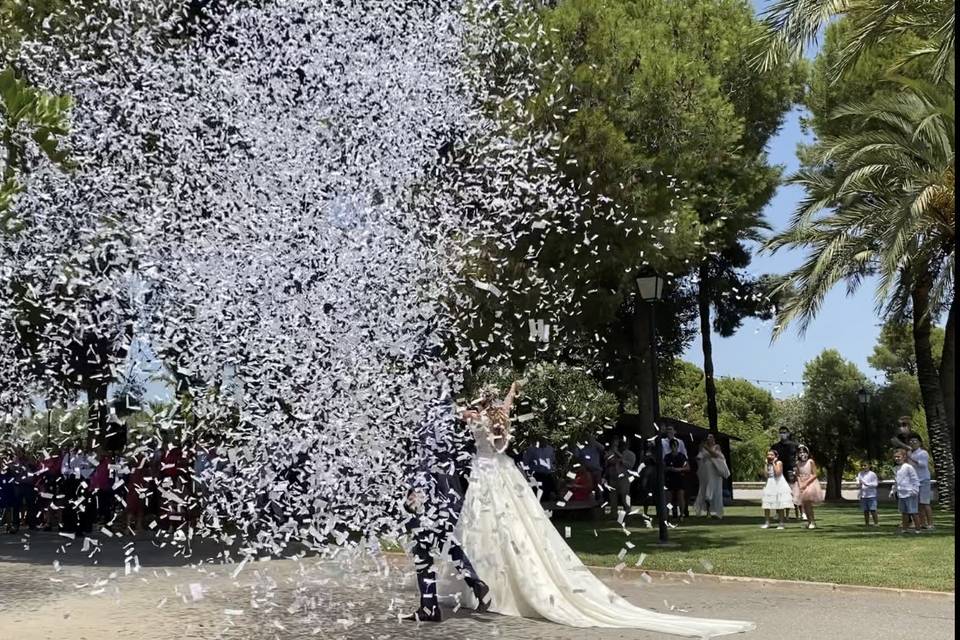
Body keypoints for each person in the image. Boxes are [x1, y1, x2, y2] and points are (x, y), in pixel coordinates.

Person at [439, 381, 755, 636]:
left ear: (482, 404)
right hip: (501, 473)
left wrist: (477, 400)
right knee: (508, 527)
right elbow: (502, 416)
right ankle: (489, 584)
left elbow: (458, 412)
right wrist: (508, 394)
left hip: (485, 475)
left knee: (488, 526)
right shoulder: (500, 418)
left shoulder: (475, 418)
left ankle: (486, 585)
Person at [401, 379, 490, 623]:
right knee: (443, 540)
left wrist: (414, 493)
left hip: (426, 491)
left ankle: (429, 607)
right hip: (449, 491)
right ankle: (473, 581)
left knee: (422, 548)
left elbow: (422, 459)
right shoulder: (448, 411)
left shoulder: (425, 416)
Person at [694, 434, 728, 519]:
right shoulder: (703, 448)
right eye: (708, 438)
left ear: (714, 439)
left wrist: (706, 448)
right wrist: (699, 457)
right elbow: (699, 457)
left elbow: (716, 455)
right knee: (706, 492)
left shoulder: (716, 447)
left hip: (715, 473)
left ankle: (717, 512)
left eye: (711, 437)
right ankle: (708, 512)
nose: (709, 439)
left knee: (715, 491)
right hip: (706, 473)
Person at [771, 427, 801, 521]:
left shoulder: (794, 445)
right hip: (779, 471)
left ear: (788, 433)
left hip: (791, 471)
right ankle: (778, 512)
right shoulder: (775, 446)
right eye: (781, 432)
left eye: (784, 432)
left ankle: (800, 513)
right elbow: (771, 457)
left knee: (793, 492)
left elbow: (802, 454)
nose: (782, 434)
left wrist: (798, 467)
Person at [793, 445, 824, 529]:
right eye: (800, 452)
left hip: (810, 484)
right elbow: (798, 475)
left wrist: (806, 483)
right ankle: (809, 521)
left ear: (807, 453)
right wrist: (800, 484)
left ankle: (812, 522)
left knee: (808, 504)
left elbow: (814, 474)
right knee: (804, 505)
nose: (802, 454)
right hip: (801, 484)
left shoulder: (810, 461)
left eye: (804, 452)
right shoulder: (797, 463)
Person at [761, 449, 793, 530]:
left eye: (771, 455)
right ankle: (767, 522)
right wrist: (766, 464)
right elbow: (765, 475)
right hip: (770, 483)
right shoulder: (768, 464)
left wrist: (774, 463)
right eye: (768, 455)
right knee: (767, 503)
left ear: (776, 456)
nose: (769, 456)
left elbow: (778, 473)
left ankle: (781, 523)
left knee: (780, 504)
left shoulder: (779, 463)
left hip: (778, 483)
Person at [907, 436, 934, 530]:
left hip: (924, 480)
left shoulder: (923, 453)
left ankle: (930, 524)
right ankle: (922, 523)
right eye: (911, 441)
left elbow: (923, 464)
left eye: (915, 441)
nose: (913, 442)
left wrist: (910, 458)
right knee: (918, 504)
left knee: (925, 503)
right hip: (915, 481)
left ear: (919, 443)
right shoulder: (910, 453)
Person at [892, 448, 920, 534]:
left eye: (898, 457)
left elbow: (915, 479)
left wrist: (915, 490)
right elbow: (896, 481)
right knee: (904, 512)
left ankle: (918, 529)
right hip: (901, 493)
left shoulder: (908, 467)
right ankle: (905, 529)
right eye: (895, 457)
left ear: (904, 457)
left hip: (910, 493)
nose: (897, 458)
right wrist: (893, 490)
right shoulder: (896, 468)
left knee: (913, 512)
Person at [663, 439, 689, 523]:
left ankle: (681, 514)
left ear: (677, 446)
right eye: (672, 446)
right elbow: (663, 468)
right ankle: (667, 515)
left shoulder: (682, 456)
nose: (674, 447)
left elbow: (687, 467)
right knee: (668, 498)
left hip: (679, 478)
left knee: (680, 496)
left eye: (675, 445)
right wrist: (669, 468)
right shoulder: (667, 457)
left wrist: (678, 469)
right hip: (669, 479)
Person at [575, 435, 604, 501]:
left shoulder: (596, 448)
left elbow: (602, 448)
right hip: (588, 471)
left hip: (597, 470)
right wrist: (577, 446)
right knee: (589, 487)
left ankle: (600, 501)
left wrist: (594, 441)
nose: (590, 440)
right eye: (589, 439)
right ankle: (590, 500)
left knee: (598, 487)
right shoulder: (584, 449)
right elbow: (577, 455)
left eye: (591, 439)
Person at [856, 461, 879, 527]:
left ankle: (876, 523)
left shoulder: (872, 474)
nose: (863, 467)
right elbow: (858, 483)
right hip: (863, 495)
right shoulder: (860, 474)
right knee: (865, 510)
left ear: (869, 466)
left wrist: (866, 484)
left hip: (871, 495)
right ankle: (867, 523)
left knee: (873, 510)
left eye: (865, 465)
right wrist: (859, 484)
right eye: (862, 466)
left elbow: (875, 484)